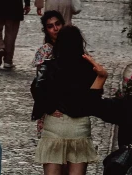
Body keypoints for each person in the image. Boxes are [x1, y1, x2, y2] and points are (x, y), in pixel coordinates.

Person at [31, 25, 100, 174]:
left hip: (55, 125)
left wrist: (49, 107)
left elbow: (36, 89)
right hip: (79, 127)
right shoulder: (88, 68)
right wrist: (102, 75)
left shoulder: (49, 66)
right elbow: (94, 101)